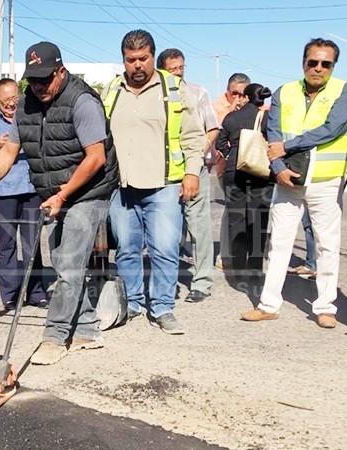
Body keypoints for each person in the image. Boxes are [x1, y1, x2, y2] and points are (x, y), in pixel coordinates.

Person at [0, 41, 119, 365]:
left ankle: (55, 335)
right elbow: (8, 153)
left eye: (45, 79)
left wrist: (62, 195)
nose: (38, 86)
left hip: (90, 191)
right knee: (66, 261)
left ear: (61, 71)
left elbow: (95, 158)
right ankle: (87, 330)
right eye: (32, 80)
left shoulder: (82, 101)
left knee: (68, 262)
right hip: (55, 191)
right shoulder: (26, 106)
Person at [241, 38, 347, 328]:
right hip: (286, 181)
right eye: (312, 62)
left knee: (327, 246)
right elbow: (273, 133)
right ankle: (268, 305)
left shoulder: (344, 91)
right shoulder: (285, 92)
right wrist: (278, 168)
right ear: (303, 62)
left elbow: (332, 129)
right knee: (279, 245)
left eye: (326, 64)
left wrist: (288, 147)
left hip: (325, 182)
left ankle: (325, 307)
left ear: (333, 66)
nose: (318, 68)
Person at [106, 30, 205, 335]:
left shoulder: (174, 88)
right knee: (126, 249)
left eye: (143, 58)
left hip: (164, 185)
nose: (137, 65)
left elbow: (193, 136)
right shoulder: (112, 89)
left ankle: (162, 307)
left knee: (164, 248)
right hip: (122, 187)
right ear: (123, 59)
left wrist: (192, 173)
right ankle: (133, 303)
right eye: (130, 60)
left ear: (152, 56)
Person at [0, 78, 48, 310]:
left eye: (15, 98)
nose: (11, 103)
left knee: (32, 245)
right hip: (4, 192)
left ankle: (36, 293)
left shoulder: (32, 116)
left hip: (31, 190)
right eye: (5, 99)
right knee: (7, 245)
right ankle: (10, 296)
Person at [158, 48, 220, 303]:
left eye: (181, 68)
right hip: (166, 173)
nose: (178, 72)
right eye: (172, 69)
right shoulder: (156, 95)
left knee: (198, 226)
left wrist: (197, 155)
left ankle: (202, 281)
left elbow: (213, 128)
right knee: (168, 229)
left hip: (194, 170)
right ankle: (168, 281)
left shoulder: (197, 92)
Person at [214, 84, 274, 294]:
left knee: (236, 220)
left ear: (246, 97)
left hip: (234, 172)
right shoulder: (267, 118)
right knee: (258, 221)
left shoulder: (231, 118)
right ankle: (255, 271)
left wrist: (230, 155)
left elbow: (220, 143)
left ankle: (238, 271)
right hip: (260, 172)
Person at [214, 73, 251, 272]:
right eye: (234, 93)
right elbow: (217, 134)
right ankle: (226, 255)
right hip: (226, 169)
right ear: (227, 91)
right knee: (232, 211)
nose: (238, 98)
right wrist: (232, 111)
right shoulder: (217, 107)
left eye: (242, 94)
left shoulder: (255, 107)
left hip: (251, 168)